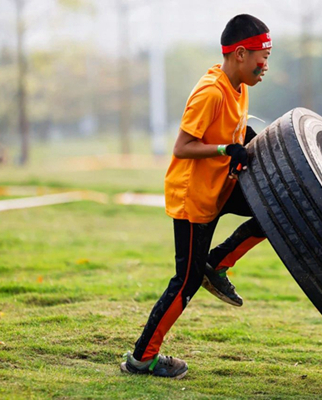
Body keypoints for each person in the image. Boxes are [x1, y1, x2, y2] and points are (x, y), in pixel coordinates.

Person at [120, 14, 272, 379]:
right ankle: (142, 358)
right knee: (186, 281)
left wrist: (243, 139)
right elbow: (183, 147)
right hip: (194, 198)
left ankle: (217, 263)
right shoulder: (210, 91)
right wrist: (225, 149)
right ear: (239, 54)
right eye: (261, 56)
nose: (265, 64)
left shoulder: (240, 86)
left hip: (221, 186)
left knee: (274, 212)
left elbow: (230, 130)